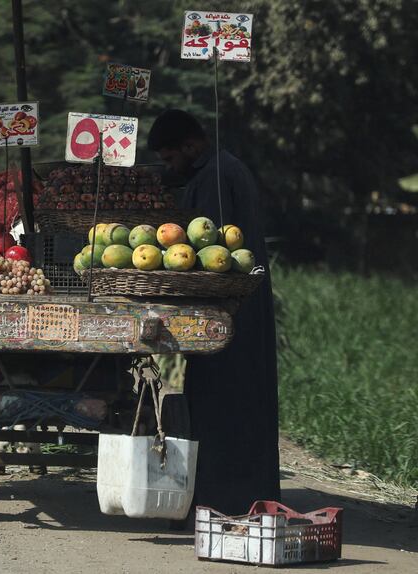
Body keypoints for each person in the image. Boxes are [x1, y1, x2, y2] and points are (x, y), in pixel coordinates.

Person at [148, 109, 280, 515]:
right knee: (232, 399)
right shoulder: (220, 168)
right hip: (240, 305)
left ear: (191, 146)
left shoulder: (215, 178)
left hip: (230, 307)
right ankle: (230, 495)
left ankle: (224, 499)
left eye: (171, 158)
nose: (171, 167)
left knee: (227, 401)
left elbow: (208, 252)